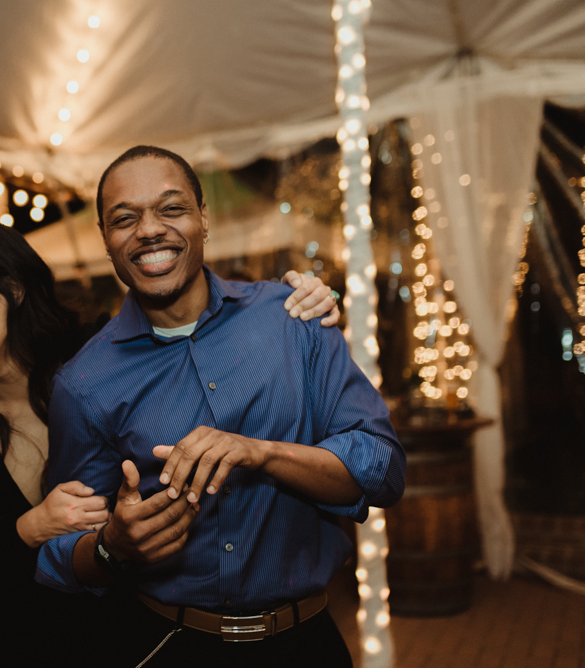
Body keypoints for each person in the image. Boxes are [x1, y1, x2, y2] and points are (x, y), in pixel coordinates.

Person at [0, 221, 339, 666]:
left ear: (12, 288)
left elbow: (197, 331)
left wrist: (292, 301)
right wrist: (35, 525)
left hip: (122, 637)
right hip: (11, 640)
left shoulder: (101, 360)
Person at [36, 146, 407, 667]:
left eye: (171, 208)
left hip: (306, 644)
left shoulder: (292, 319)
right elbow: (57, 556)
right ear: (105, 238)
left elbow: (383, 468)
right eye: (125, 218)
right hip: (171, 644)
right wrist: (113, 545)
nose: (149, 230)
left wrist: (261, 452)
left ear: (202, 219)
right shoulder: (83, 384)